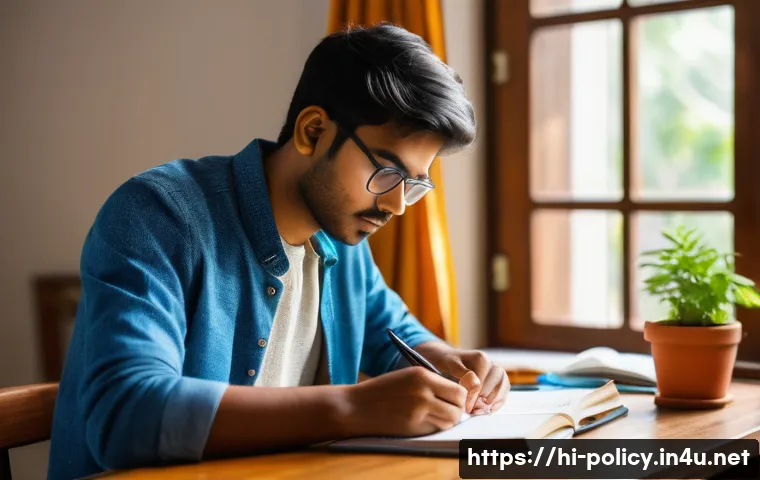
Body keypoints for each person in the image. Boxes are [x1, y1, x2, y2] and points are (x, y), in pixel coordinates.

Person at [47, 22, 509, 480]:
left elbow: (397, 337)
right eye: (386, 173)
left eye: (414, 184)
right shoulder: (158, 215)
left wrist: (449, 361)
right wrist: (351, 406)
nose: (395, 205)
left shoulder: (342, 239)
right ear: (312, 131)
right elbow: (127, 416)